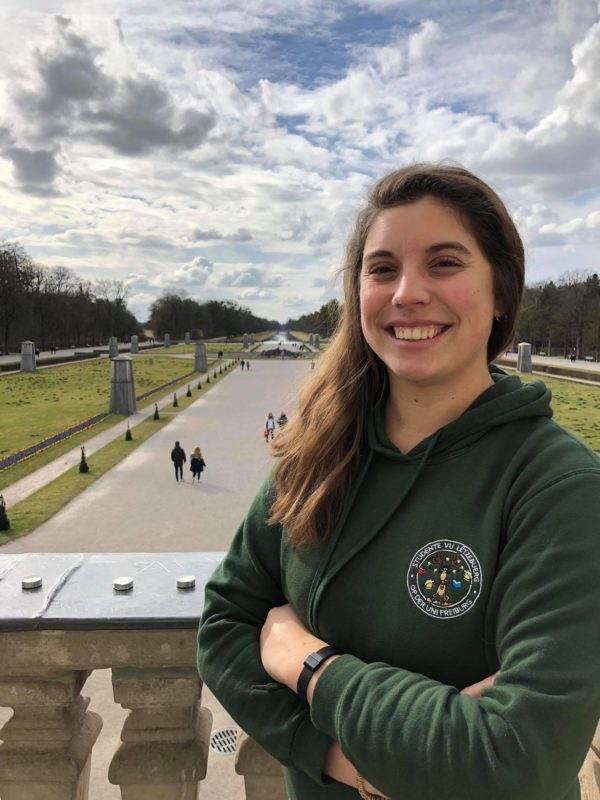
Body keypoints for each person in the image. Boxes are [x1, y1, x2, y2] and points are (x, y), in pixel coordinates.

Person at [197, 164, 600, 800]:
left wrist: (309, 666)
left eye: (444, 263)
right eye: (382, 269)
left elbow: (517, 761)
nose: (407, 293)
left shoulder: (560, 486)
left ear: (501, 293)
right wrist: (341, 760)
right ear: (358, 294)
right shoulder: (319, 449)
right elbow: (226, 624)